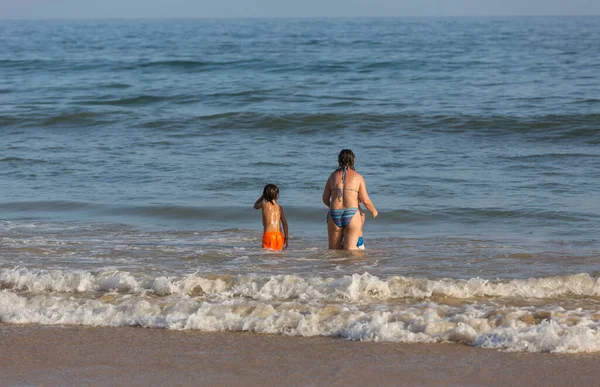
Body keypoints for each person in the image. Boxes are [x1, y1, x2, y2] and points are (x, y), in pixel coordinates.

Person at [322, 149, 377, 250]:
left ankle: (335, 266)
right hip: (351, 213)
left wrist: (333, 207)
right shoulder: (358, 177)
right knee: (351, 251)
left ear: (339, 160)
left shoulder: (332, 176)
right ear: (353, 160)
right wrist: (374, 210)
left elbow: (325, 198)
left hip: (334, 214)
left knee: (333, 251)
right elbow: (365, 200)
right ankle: (351, 266)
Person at [254, 184, 289, 250]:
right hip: (279, 236)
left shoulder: (264, 204)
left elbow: (255, 206)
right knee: (278, 256)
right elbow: (285, 224)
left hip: (269, 235)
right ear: (277, 195)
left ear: (265, 195)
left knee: (268, 257)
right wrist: (286, 238)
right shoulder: (280, 208)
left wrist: (261, 197)